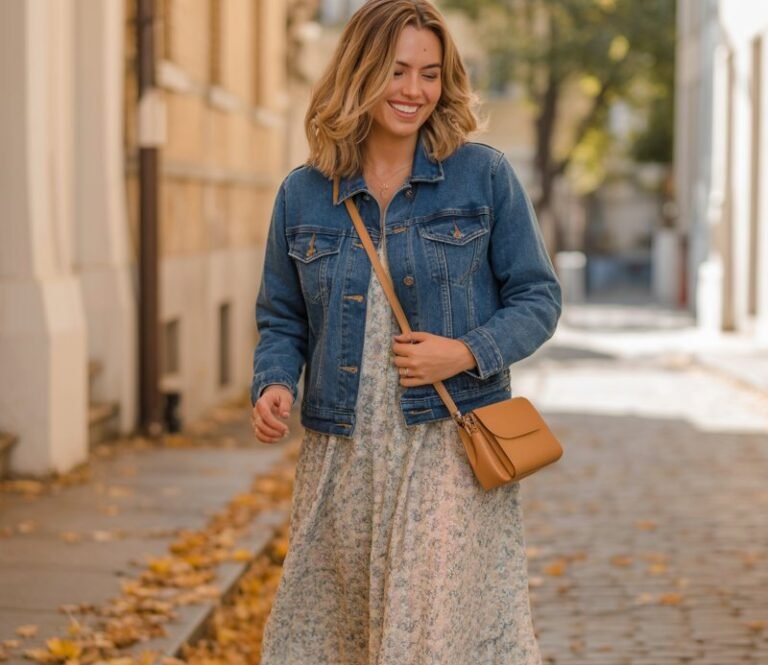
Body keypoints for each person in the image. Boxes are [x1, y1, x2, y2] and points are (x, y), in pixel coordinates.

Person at [250, 1, 561, 662]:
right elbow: (282, 316)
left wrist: (466, 351)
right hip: (345, 456)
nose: (415, 91)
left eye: (430, 73)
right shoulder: (304, 193)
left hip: (448, 449)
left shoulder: (484, 176)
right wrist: (275, 381)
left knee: (431, 640)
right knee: (338, 640)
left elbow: (538, 297)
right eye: (397, 71)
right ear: (359, 72)